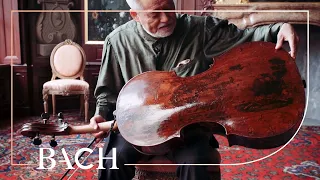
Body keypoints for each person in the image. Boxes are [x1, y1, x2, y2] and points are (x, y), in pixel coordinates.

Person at [89, 0, 299, 179]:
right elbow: (107, 95)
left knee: (197, 163)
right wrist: (100, 115)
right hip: (136, 127)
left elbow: (244, 37)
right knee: (111, 162)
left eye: (169, 8)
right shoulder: (117, 41)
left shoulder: (201, 29)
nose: (166, 18)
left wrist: (279, 29)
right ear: (135, 15)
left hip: (188, 128)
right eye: (155, 13)